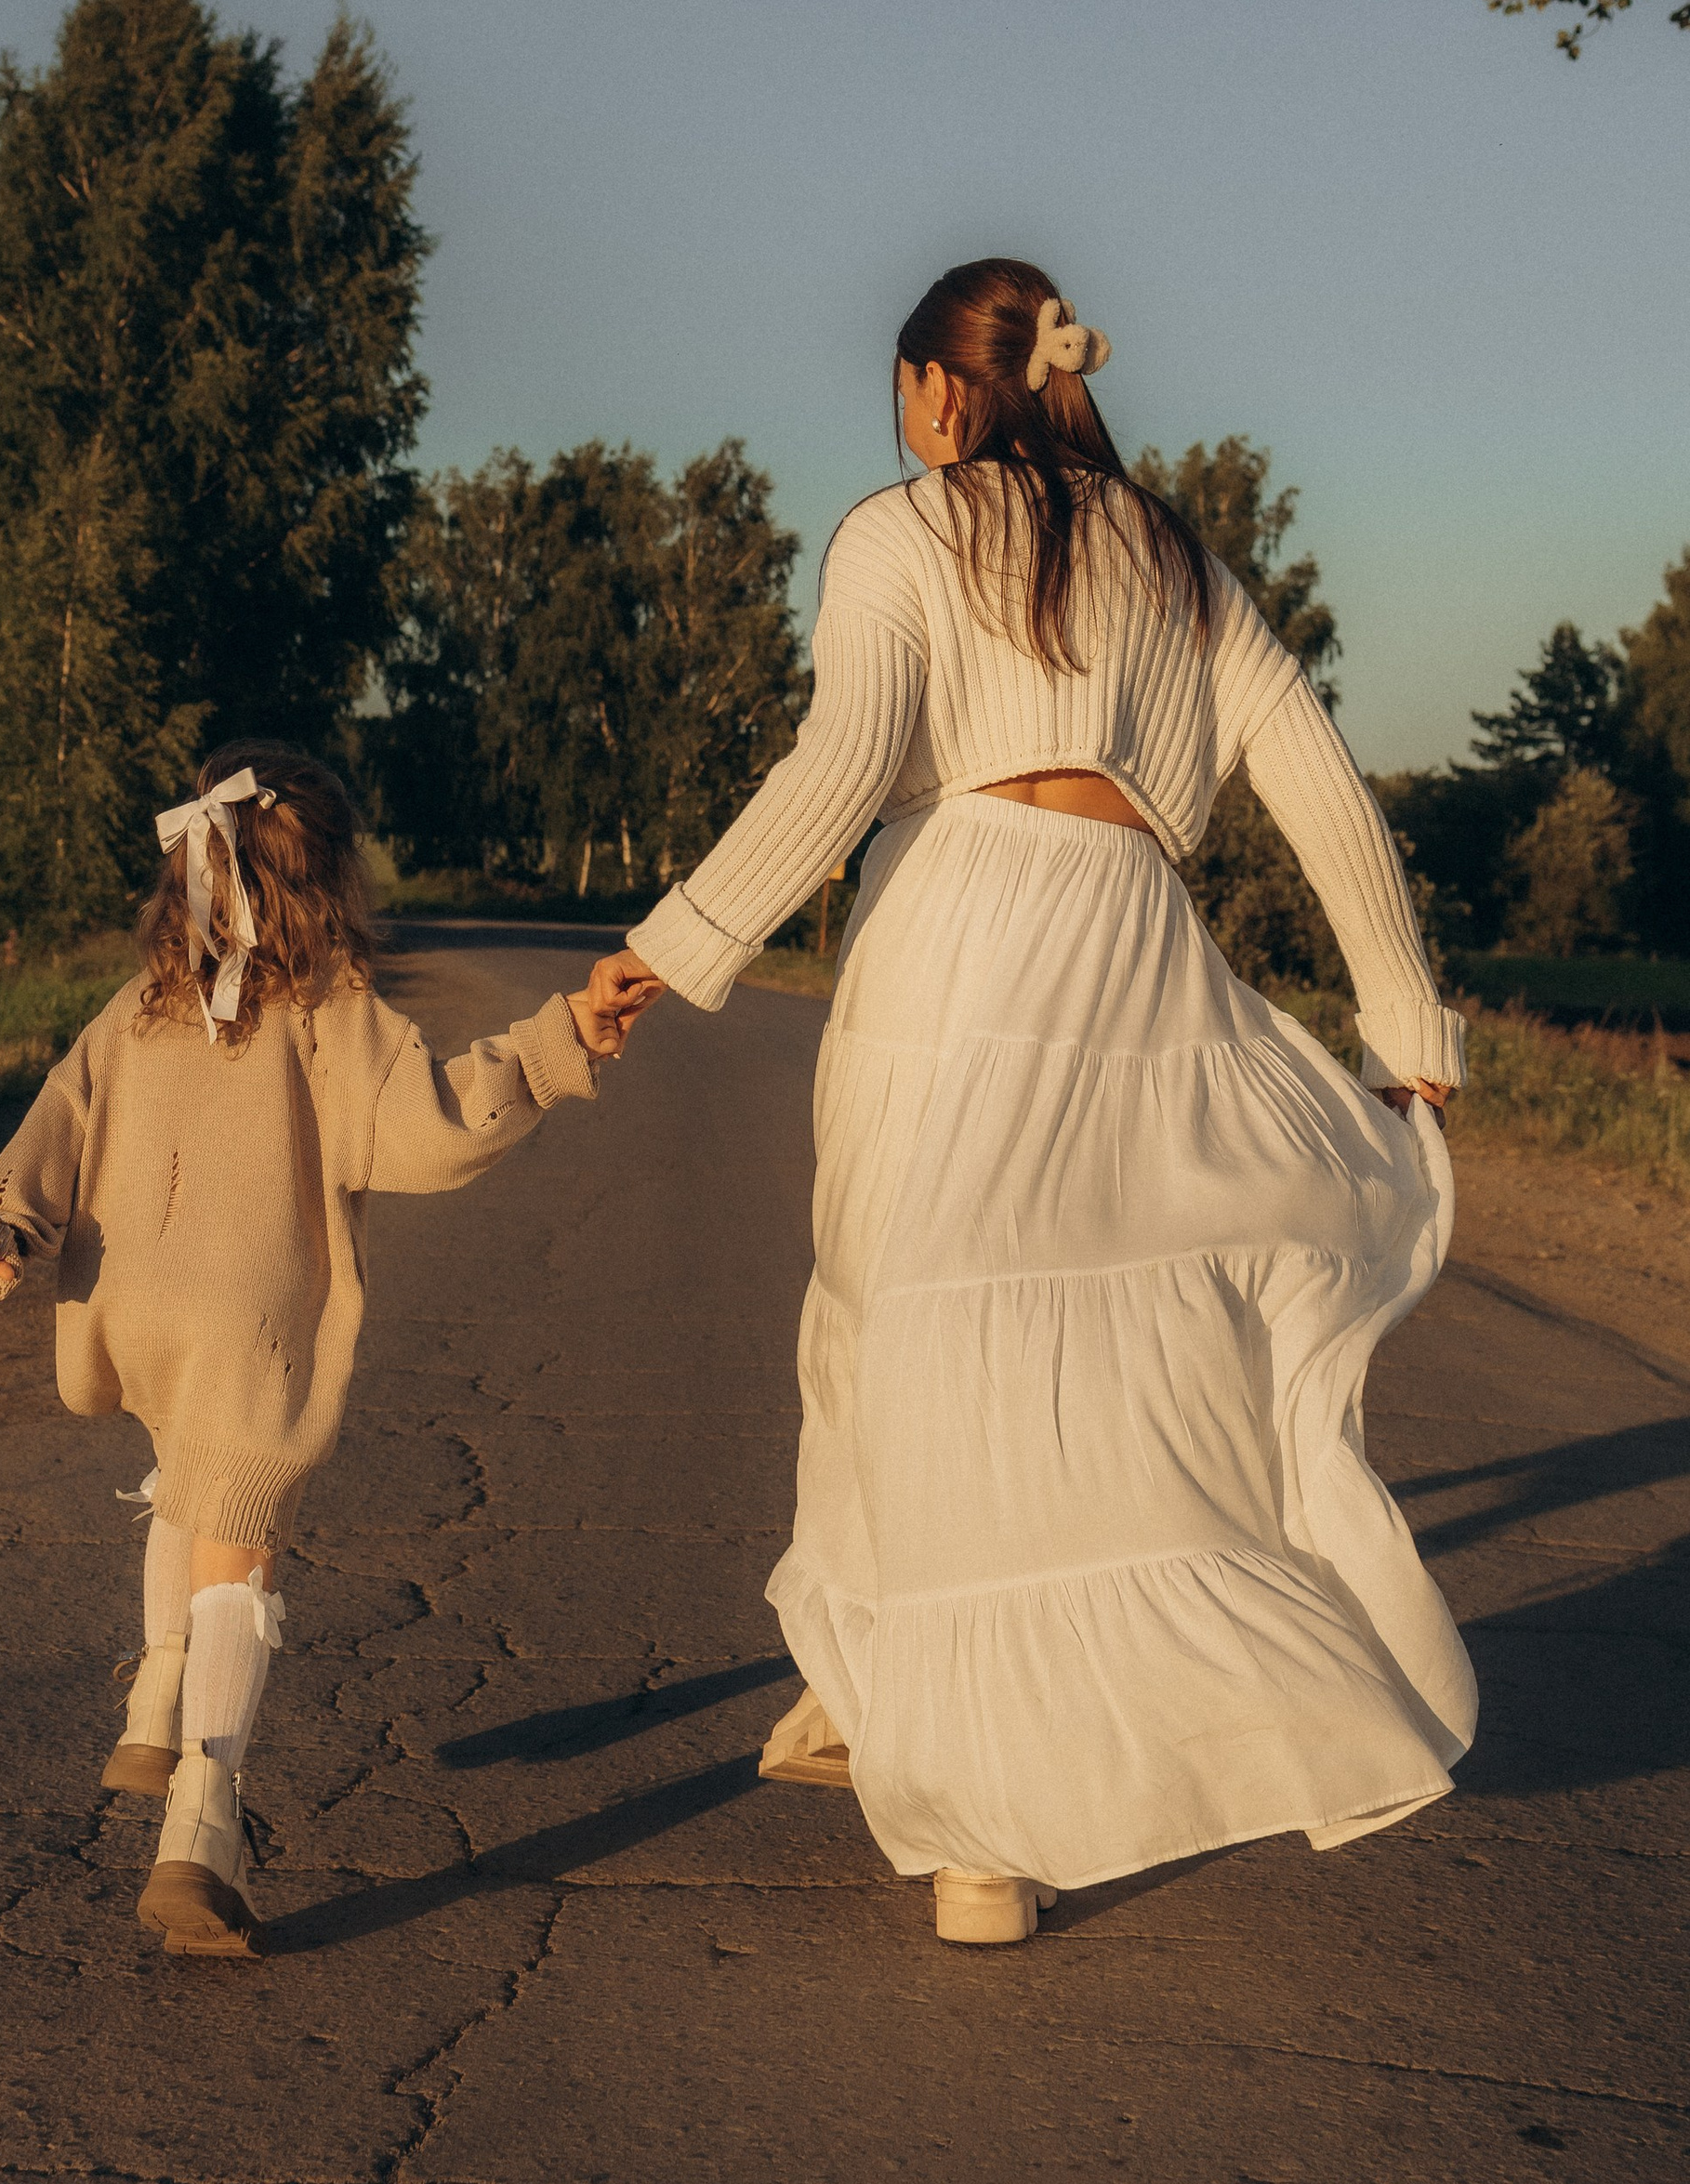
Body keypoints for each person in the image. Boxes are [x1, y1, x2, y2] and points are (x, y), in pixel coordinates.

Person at [596, 257, 1472, 1948]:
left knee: (903, 1321)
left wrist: (678, 939)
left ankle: (978, 1821)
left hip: (955, 939)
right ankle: (888, 1706)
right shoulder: (1179, 559)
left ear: (938, 386)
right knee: (1090, 1344)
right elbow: (1324, 786)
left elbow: (846, 763)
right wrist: (1403, 1013)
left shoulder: (897, 531)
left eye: (907, 386)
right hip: (1132, 940)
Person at [0, 743, 649, 1957]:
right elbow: (439, 1127)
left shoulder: (137, 1006)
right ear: (329, 884)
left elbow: (62, 1116)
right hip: (249, 1321)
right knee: (236, 1553)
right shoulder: (333, 1014)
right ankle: (200, 1830)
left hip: (132, 1300)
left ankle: (158, 1686)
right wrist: (561, 1035)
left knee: (185, 1475)